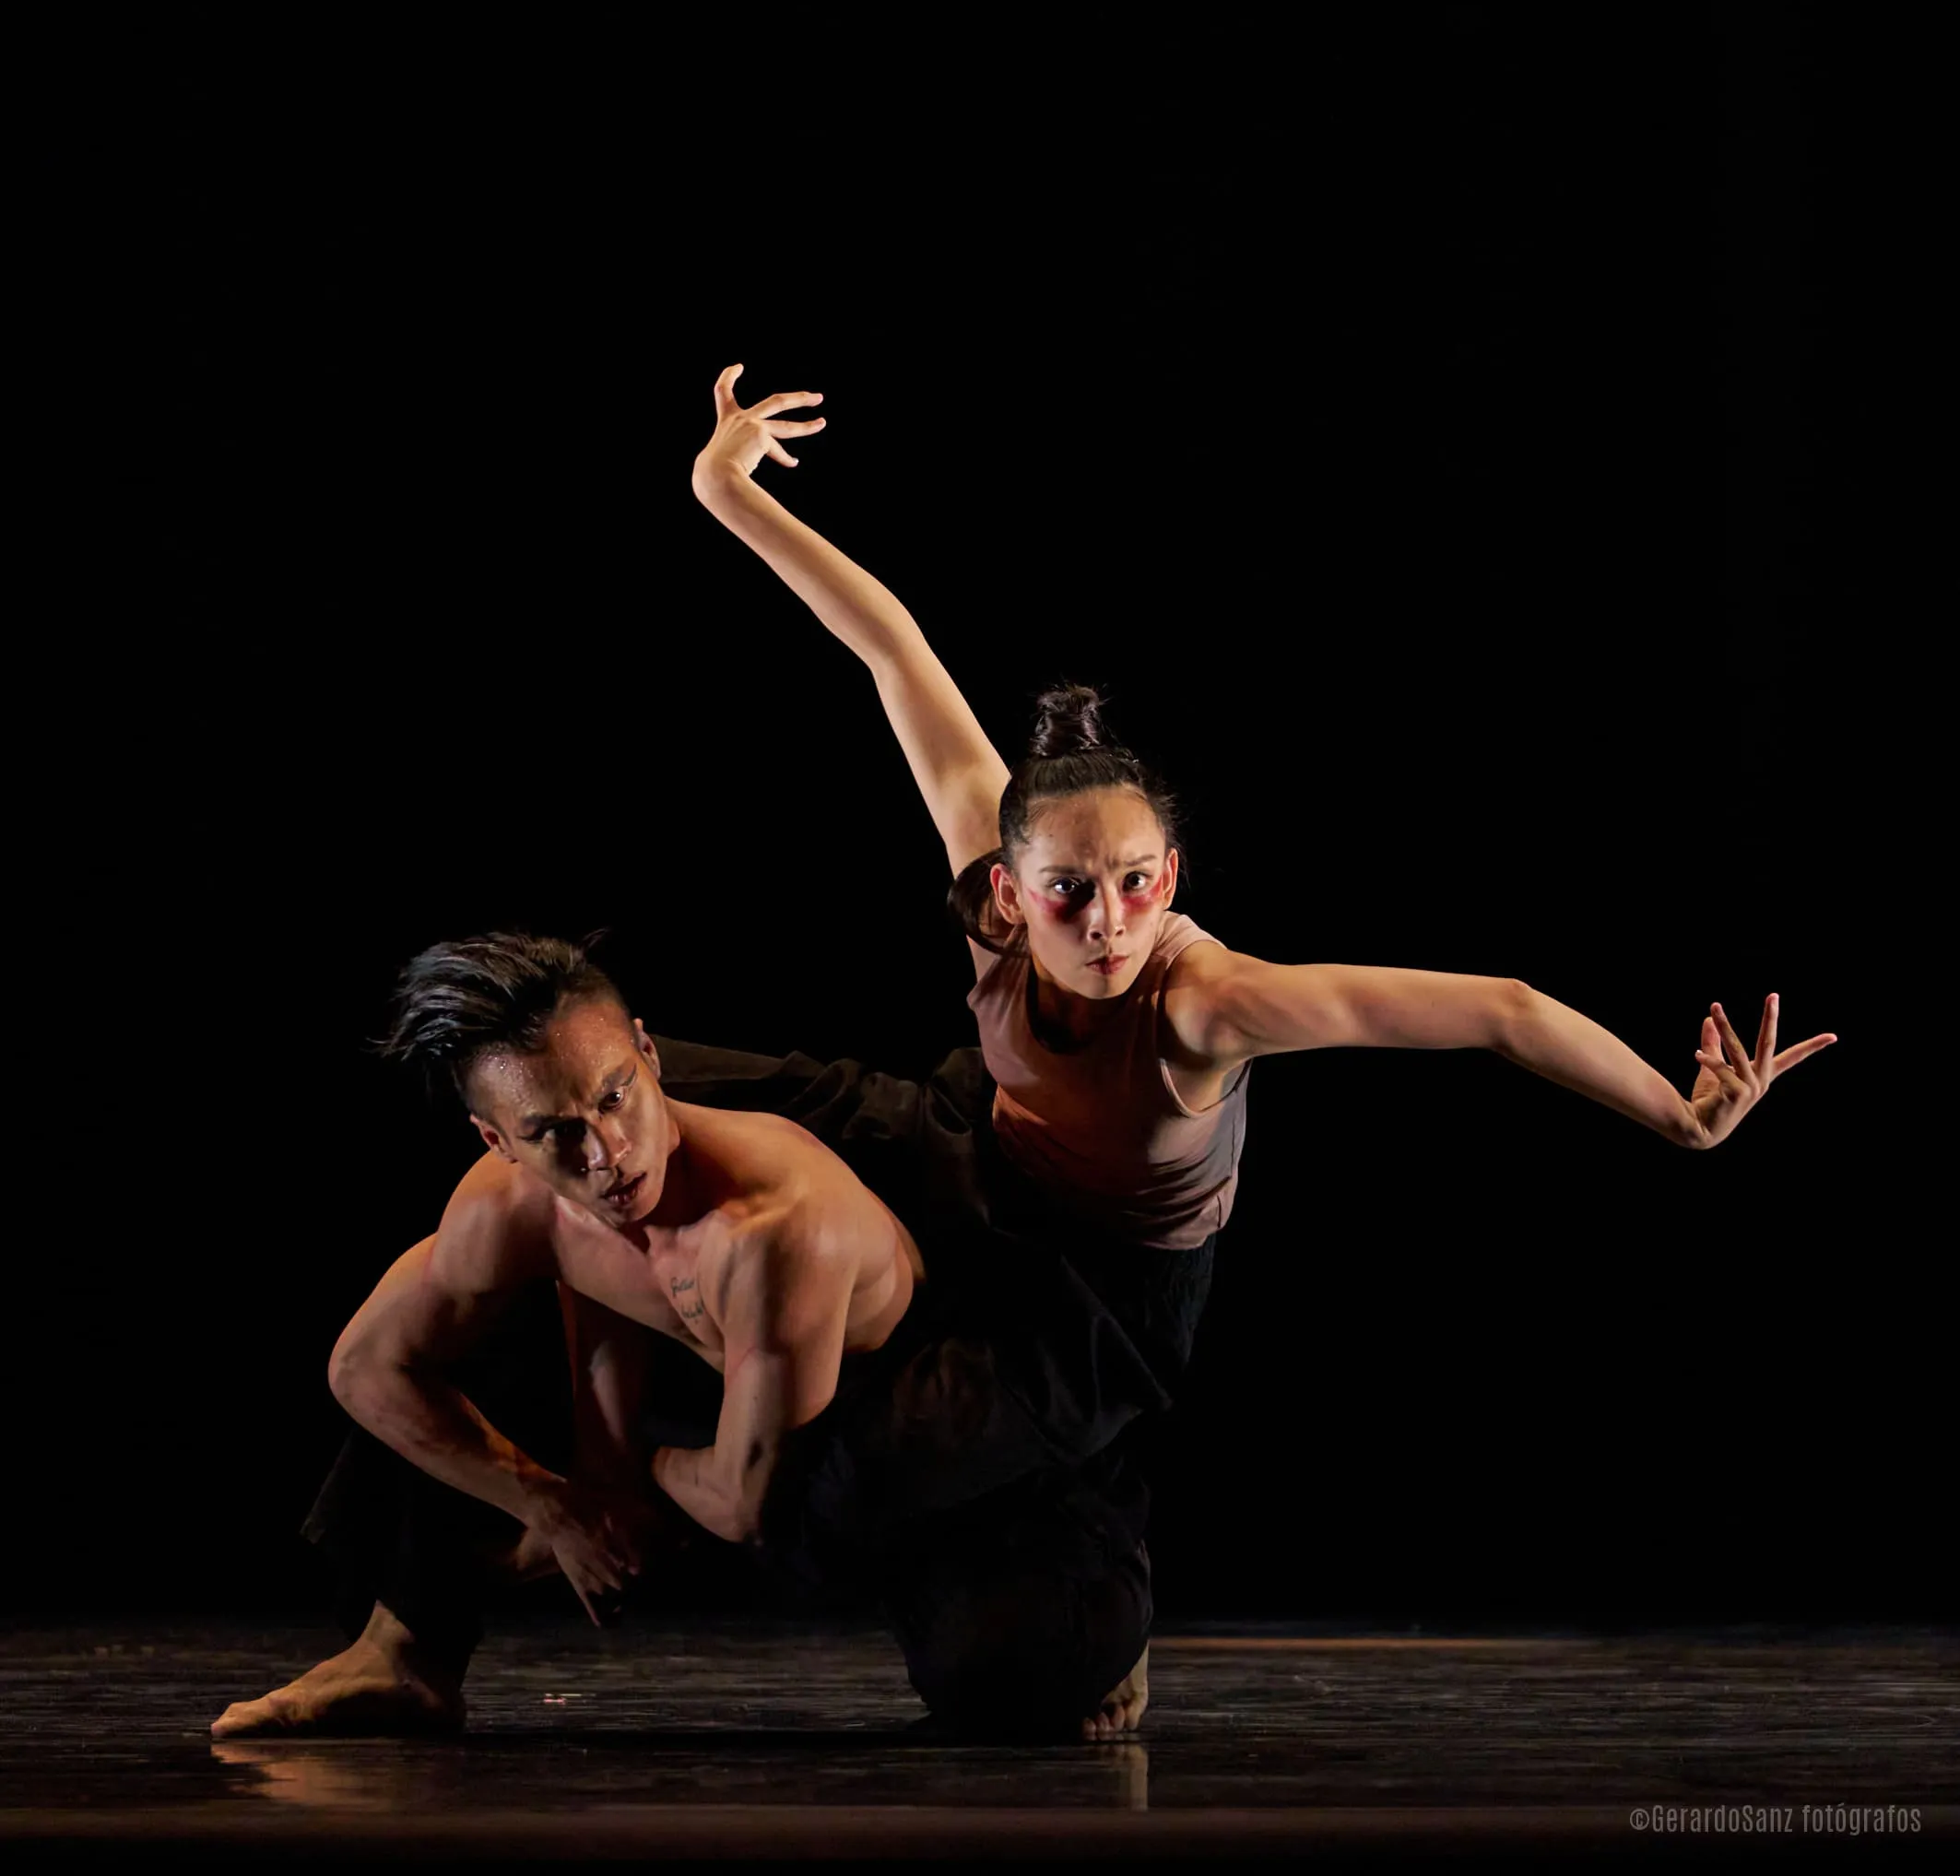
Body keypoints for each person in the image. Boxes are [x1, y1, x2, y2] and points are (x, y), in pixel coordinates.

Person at [689, 360, 1841, 1398]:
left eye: (1136, 883)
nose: (1108, 921)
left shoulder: (1205, 1003)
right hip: (984, 1148)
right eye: (1067, 892)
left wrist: (1678, 1118)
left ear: (1171, 874)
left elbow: (1500, 1008)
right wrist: (725, 489)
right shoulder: (995, 891)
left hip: (1111, 1282)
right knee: (668, 1086)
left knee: (890, 1467)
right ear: (1006, 890)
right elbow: (890, 646)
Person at [213, 934, 1161, 1745]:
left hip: (911, 1436)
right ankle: (403, 1655)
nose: (605, 1153)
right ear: (496, 1141)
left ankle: (1100, 1584)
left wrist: (626, 1478)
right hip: (729, 1393)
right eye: (553, 1132)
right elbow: (365, 1366)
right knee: (461, 1350)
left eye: (614, 1097)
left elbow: (747, 1504)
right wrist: (552, 1503)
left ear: (647, 1053)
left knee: (1004, 1676)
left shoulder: (776, 1224)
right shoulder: (511, 1205)